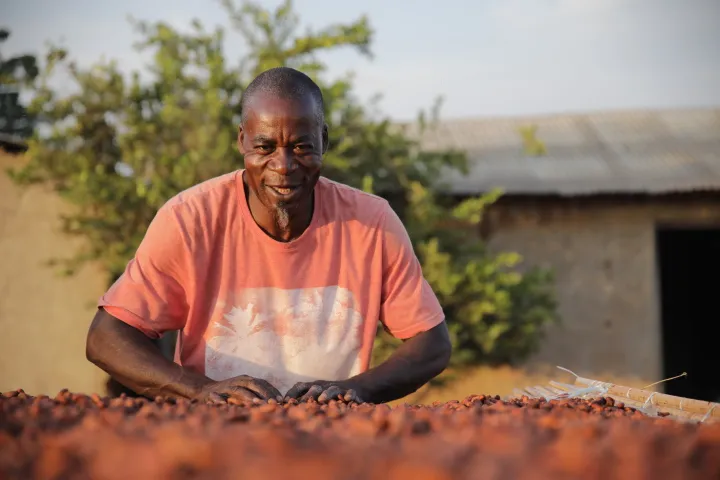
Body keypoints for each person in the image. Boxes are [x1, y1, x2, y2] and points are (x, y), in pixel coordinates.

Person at [86, 66, 452, 405]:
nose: (283, 165)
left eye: (301, 146)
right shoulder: (189, 219)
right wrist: (199, 390)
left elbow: (432, 343)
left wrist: (356, 389)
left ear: (323, 141)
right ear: (242, 141)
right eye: (264, 147)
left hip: (333, 440)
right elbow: (106, 337)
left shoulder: (372, 224)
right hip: (216, 438)